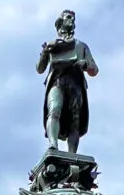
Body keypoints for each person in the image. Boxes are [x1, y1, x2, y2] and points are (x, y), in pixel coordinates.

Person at [36, 9, 99, 155]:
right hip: (57, 82)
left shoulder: (81, 45)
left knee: (74, 119)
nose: (72, 21)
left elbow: (94, 69)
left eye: (73, 18)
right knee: (54, 109)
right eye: (69, 17)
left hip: (75, 83)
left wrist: (84, 64)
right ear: (61, 22)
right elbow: (40, 68)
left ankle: (72, 154)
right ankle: (53, 145)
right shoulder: (53, 45)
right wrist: (45, 52)